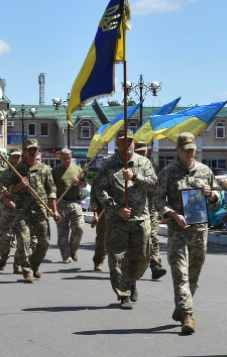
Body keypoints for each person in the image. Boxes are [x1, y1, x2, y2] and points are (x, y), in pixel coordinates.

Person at [155, 132, 221, 333]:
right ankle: (188, 314)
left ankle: (181, 306)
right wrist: (172, 214)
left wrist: (211, 195)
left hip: (199, 230)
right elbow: (158, 200)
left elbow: (218, 195)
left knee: (194, 273)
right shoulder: (168, 172)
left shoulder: (204, 170)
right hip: (177, 230)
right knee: (180, 272)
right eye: (186, 150)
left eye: (193, 149)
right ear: (178, 150)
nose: (191, 153)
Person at [95, 129, 157, 309]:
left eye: (130, 141)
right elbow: (100, 190)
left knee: (143, 256)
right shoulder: (108, 164)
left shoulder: (143, 162)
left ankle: (131, 281)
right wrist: (116, 209)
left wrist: (135, 177)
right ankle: (124, 294)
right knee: (117, 259)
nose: (128, 144)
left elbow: (154, 185)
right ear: (117, 144)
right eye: (124, 141)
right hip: (116, 220)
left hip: (140, 217)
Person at [1, 139, 59, 282]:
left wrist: (55, 210)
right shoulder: (18, 169)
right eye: (29, 149)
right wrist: (19, 186)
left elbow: (51, 191)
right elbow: (9, 190)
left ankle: (34, 263)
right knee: (24, 241)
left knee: (44, 241)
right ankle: (27, 271)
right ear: (25, 151)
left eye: (34, 149)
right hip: (23, 211)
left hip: (40, 210)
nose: (32, 152)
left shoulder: (45, 169)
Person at [135, 141, 168, 279]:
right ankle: (133, 267)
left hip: (151, 208)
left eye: (144, 151)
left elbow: (159, 188)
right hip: (135, 209)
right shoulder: (130, 167)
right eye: (139, 152)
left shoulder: (154, 167)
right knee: (137, 240)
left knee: (153, 236)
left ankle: (156, 266)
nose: (142, 154)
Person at [52, 148, 87, 264]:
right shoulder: (55, 171)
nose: (67, 160)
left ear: (71, 157)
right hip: (61, 203)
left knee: (79, 228)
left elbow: (85, 184)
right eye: (65, 158)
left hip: (75, 202)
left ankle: (73, 249)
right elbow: (51, 189)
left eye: (69, 158)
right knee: (63, 232)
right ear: (60, 158)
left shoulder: (78, 169)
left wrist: (79, 183)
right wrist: (53, 208)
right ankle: (65, 255)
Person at [0, 149, 24, 273]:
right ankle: (4, 256)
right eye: (13, 157)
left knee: (22, 239)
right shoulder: (4, 175)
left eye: (18, 157)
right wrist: (12, 205)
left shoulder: (26, 175)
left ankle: (17, 264)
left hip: (22, 210)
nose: (16, 160)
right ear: (9, 159)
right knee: (5, 237)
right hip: (8, 209)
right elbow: (1, 194)